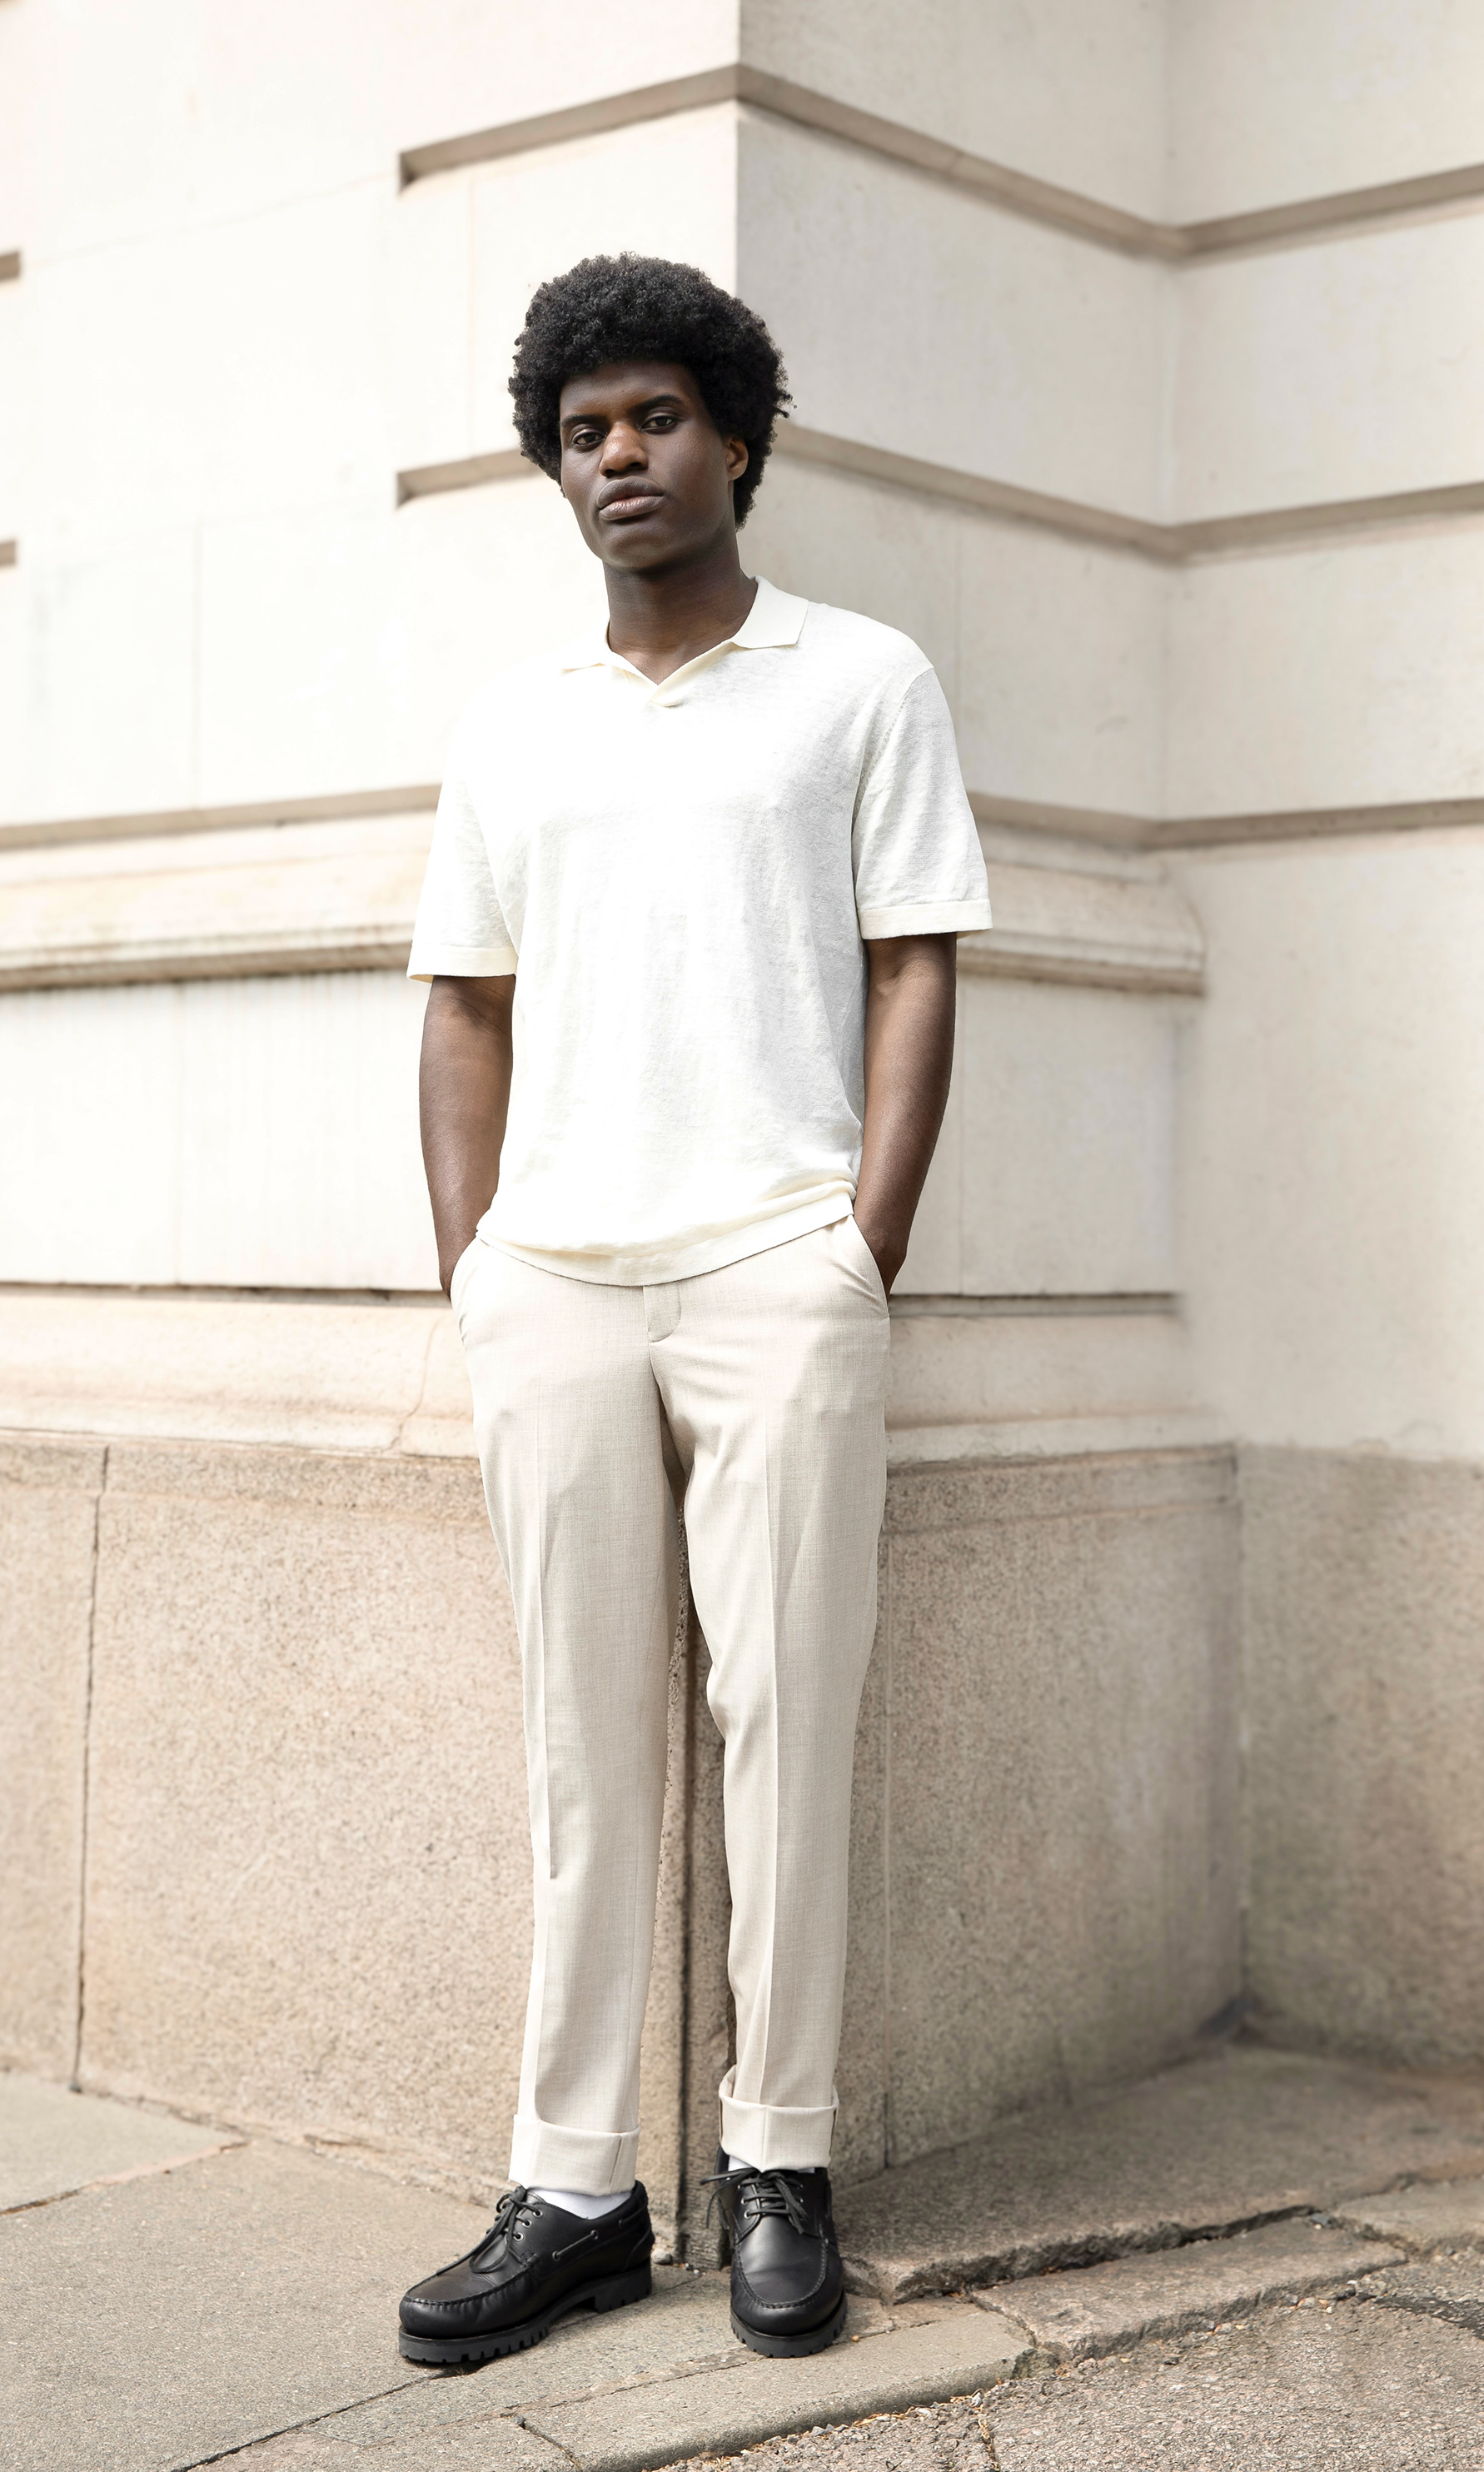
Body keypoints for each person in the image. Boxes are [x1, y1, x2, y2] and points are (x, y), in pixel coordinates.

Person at [396, 253, 990, 2369]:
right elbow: (463, 1004)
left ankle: (780, 2158)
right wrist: (477, 1264)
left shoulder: (862, 680)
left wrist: (859, 1241)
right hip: (555, 1277)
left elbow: (917, 960)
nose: (619, 456)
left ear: (738, 437)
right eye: (583, 431)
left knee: (788, 1722)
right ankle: (575, 2184)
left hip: (774, 1265)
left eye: (655, 417)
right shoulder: (514, 722)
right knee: (582, 1743)